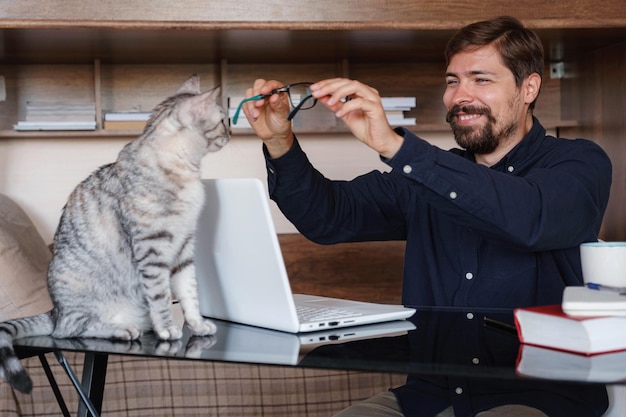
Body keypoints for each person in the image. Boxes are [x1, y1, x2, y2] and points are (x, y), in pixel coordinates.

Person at [242, 16, 612, 417]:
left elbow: (529, 218)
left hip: (539, 400)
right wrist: (280, 141)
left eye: (481, 79)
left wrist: (399, 148)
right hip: (430, 397)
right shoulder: (423, 178)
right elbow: (327, 216)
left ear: (529, 88)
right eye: (453, 81)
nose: (460, 96)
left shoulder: (579, 163)